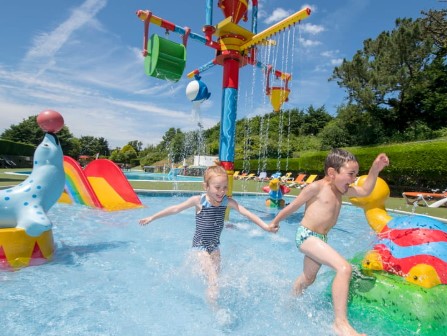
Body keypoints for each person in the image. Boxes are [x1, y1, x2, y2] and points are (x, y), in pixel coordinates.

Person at [270, 149, 389, 336]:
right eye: (350, 174)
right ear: (332, 173)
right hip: (306, 235)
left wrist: (375, 169)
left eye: (356, 175)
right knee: (344, 268)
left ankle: (288, 301)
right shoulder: (316, 187)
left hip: (320, 238)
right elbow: (293, 206)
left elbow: (366, 191)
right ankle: (340, 324)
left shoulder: (342, 189)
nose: (353, 179)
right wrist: (275, 222)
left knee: (309, 278)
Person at [139, 165, 278, 307]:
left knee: (217, 279)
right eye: (217, 187)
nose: (222, 191)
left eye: (225, 187)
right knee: (213, 281)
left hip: (215, 247)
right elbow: (175, 209)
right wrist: (152, 217)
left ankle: (212, 298)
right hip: (200, 247)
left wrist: (266, 227)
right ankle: (215, 311)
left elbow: (247, 213)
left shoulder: (227, 202)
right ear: (206, 186)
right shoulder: (199, 201)